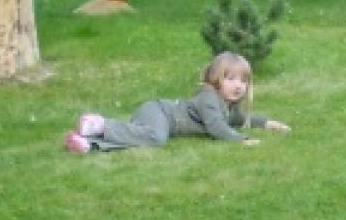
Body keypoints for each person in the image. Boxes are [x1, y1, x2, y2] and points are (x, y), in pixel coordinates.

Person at [64, 51, 290, 153]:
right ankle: (101, 125)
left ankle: (89, 143)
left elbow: (239, 119)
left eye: (243, 81)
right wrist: (242, 140)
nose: (238, 85)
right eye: (231, 79)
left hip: (159, 117)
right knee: (156, 138)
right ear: (216, 80)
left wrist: (268, 123)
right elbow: (217, 128)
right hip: (159, 111)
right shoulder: (209, 98)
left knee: (142, 140)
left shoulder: (228, 105)